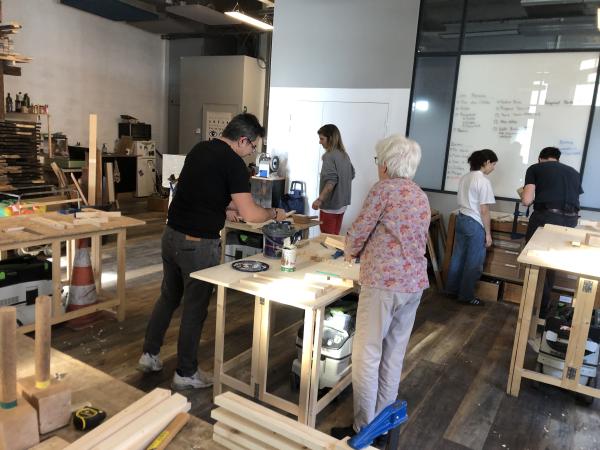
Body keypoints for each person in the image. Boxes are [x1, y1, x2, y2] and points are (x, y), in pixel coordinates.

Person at [138, 113, 288, 390]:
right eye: (253, 146)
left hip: (171, 235)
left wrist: (227, 208)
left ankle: (149, 355)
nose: (252, 152)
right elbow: (253, 215)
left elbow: (201, 193)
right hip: (197, 244)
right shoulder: (234, 164)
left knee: (169, 296)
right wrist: (274, 213)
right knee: (195, 308)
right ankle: (185, 372)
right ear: (242, 140)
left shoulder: (200, 149)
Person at [331, 135, 430, 448]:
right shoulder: (419, 194)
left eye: (378, 161)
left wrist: (350, 250)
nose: (377, 166)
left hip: (384, 284)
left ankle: (364, 428)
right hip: (413, 284)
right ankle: (383, 426)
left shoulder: (383, 189)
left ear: (385, 164)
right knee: (393, 355)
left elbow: (360, 230)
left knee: (367, 354)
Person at [520, 146, 583, 317]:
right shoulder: (573, 172)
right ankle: (543, 307)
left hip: (546, 218)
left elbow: (527, 200)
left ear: (540, 158)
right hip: (571, 221)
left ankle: (533, 309)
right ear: (557, 159)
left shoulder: (535, 168)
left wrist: (524, 195)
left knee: (533, 260)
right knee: (551, 263)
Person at [445, 149, 498, 306]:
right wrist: (488, 234)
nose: (493, 168)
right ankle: (466, 296)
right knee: (474, 262)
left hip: (461, 219)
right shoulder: (483, 181)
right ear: (486, 162)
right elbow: (484, 210)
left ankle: (451, 290)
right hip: (475, 223)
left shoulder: (465, 177)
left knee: (458, 257)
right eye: (493, 164)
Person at [311, 124, 355, 235]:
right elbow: (352, 174)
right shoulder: (344, 155)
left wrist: (319, 199)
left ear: (330, 138)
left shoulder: (329, 156)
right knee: (334, 237)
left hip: (330, 206)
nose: (320, 142)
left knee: (326, 238)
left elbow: (331, 182)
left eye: (322, 139)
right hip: (342, 205)